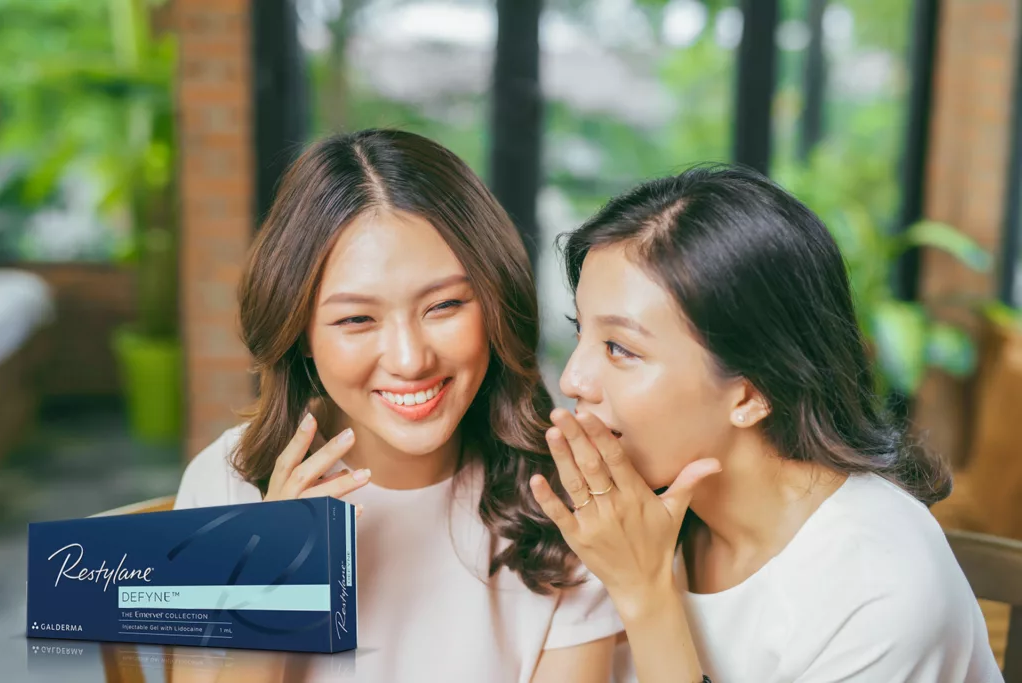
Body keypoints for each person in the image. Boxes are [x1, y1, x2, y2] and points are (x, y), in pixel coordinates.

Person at [173, 129, 623, 683]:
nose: (410, 360)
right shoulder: (225, 488)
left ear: (497, 303)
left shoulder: (570, 502)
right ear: (299, 334)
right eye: (357, 319)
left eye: (445, 305)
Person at [528, 165, 1002, 683]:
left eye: (620, 349)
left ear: (751, 395)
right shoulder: (628, 517)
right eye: (581, 331)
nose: (574, 378)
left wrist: (645, 596)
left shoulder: (877, 590)